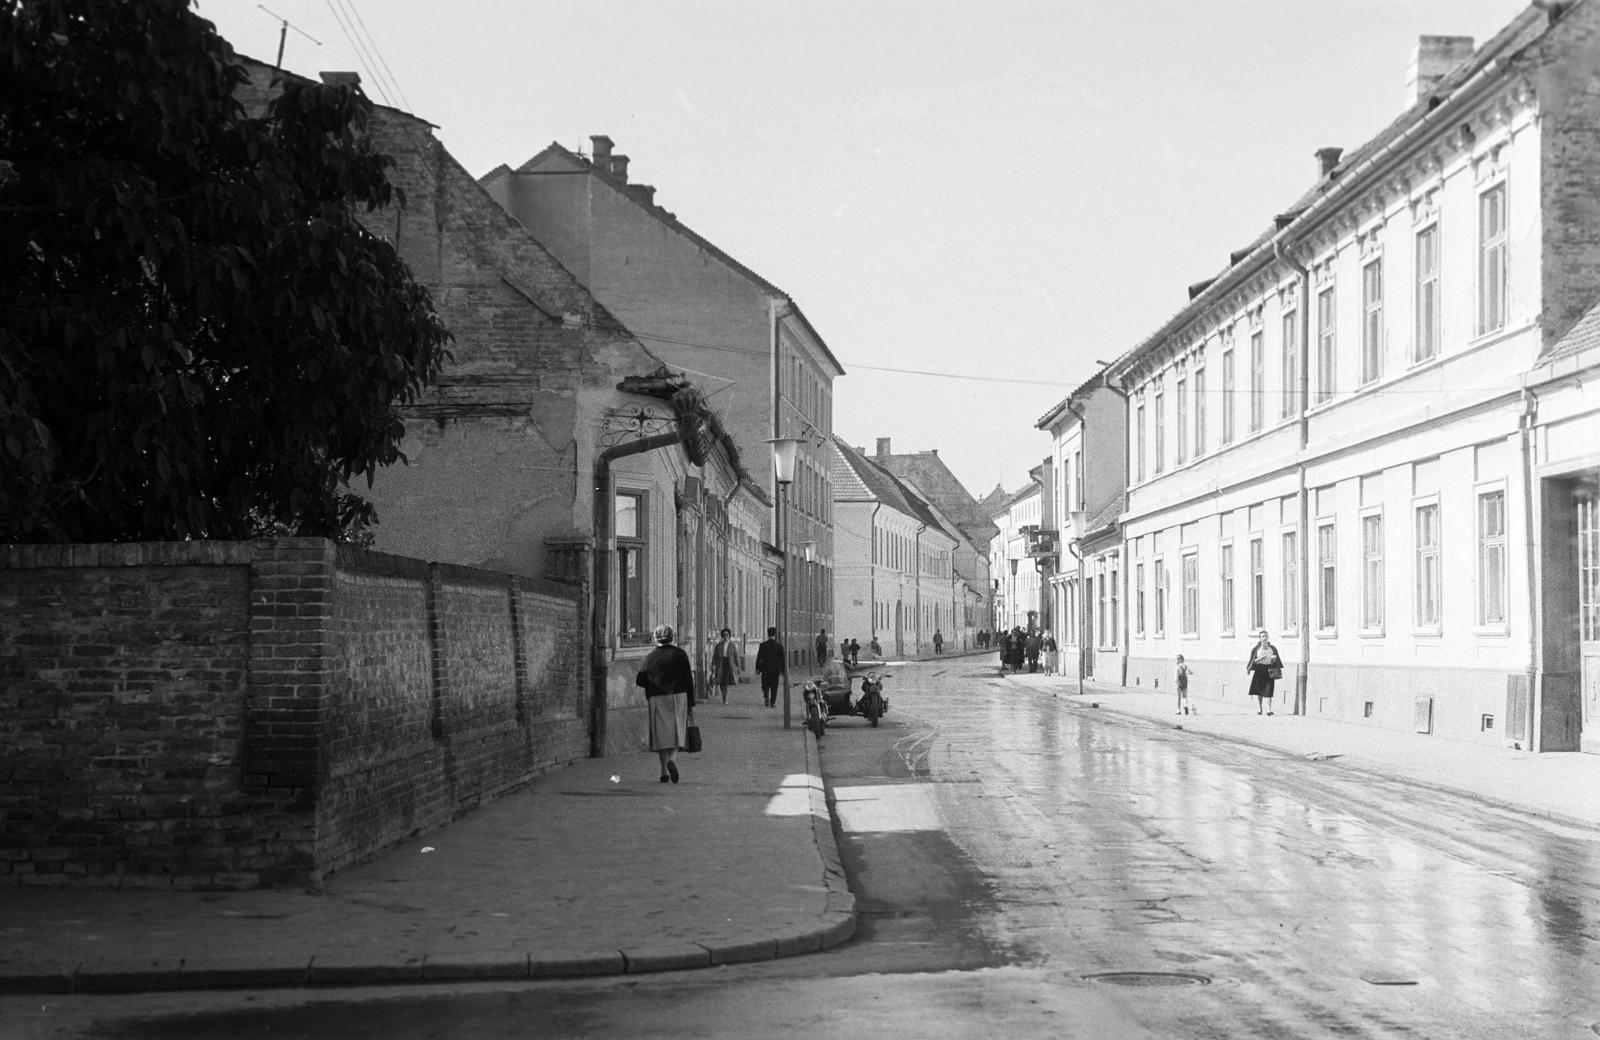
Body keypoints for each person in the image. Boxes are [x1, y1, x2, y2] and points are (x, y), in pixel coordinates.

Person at [636, 624, 695, 783]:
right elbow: (688, 679)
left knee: (660, 734)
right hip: (678, 696)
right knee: (677, 731)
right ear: (672, 637)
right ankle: (672, 760)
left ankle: (663, 771)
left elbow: (640, 680)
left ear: (656, 638)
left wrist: (652, 682)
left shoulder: (651, 656)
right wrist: (691, 701)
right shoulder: (680, 654)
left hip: (657, 698)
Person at [1245, 629, 1281, 716]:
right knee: (1259, 690)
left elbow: (1277, 660)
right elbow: (1253, 661)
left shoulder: (1272, 648)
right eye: (1263, 636)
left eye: (1266, 636)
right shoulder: (1256, 649)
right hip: (1259, 670)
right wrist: (1262, 658)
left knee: (1269, 690)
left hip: (1269, 670)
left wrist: (1274, 660)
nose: (1265, 638)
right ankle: (1260, 708)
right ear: (1260, 638)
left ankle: (1269, 709)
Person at [755, 626, 784, 708]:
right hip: (775, 670)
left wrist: (758, 669)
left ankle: (766, 696)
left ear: (767, 634)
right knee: (774, 686)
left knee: (765, 684)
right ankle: (773, 702)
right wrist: (783, 671)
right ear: (775, 635)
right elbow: (782, 660)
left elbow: (759, 658)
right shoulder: (779, 647)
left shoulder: (763, 645)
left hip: (765, 669)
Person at [710, 627, 735, 704]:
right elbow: (715, 655)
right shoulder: (719, 645)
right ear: (722, 636)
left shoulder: (732, 645)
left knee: (726, 681)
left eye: (727, 634)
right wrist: (713, 664)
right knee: (721, 681)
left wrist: (738, 666)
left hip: (728, 663)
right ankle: (724, 696)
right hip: (720, 663)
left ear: (729, 635)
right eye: (724, 635)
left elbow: (736, 656)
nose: (725, 636)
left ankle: (725, 697)